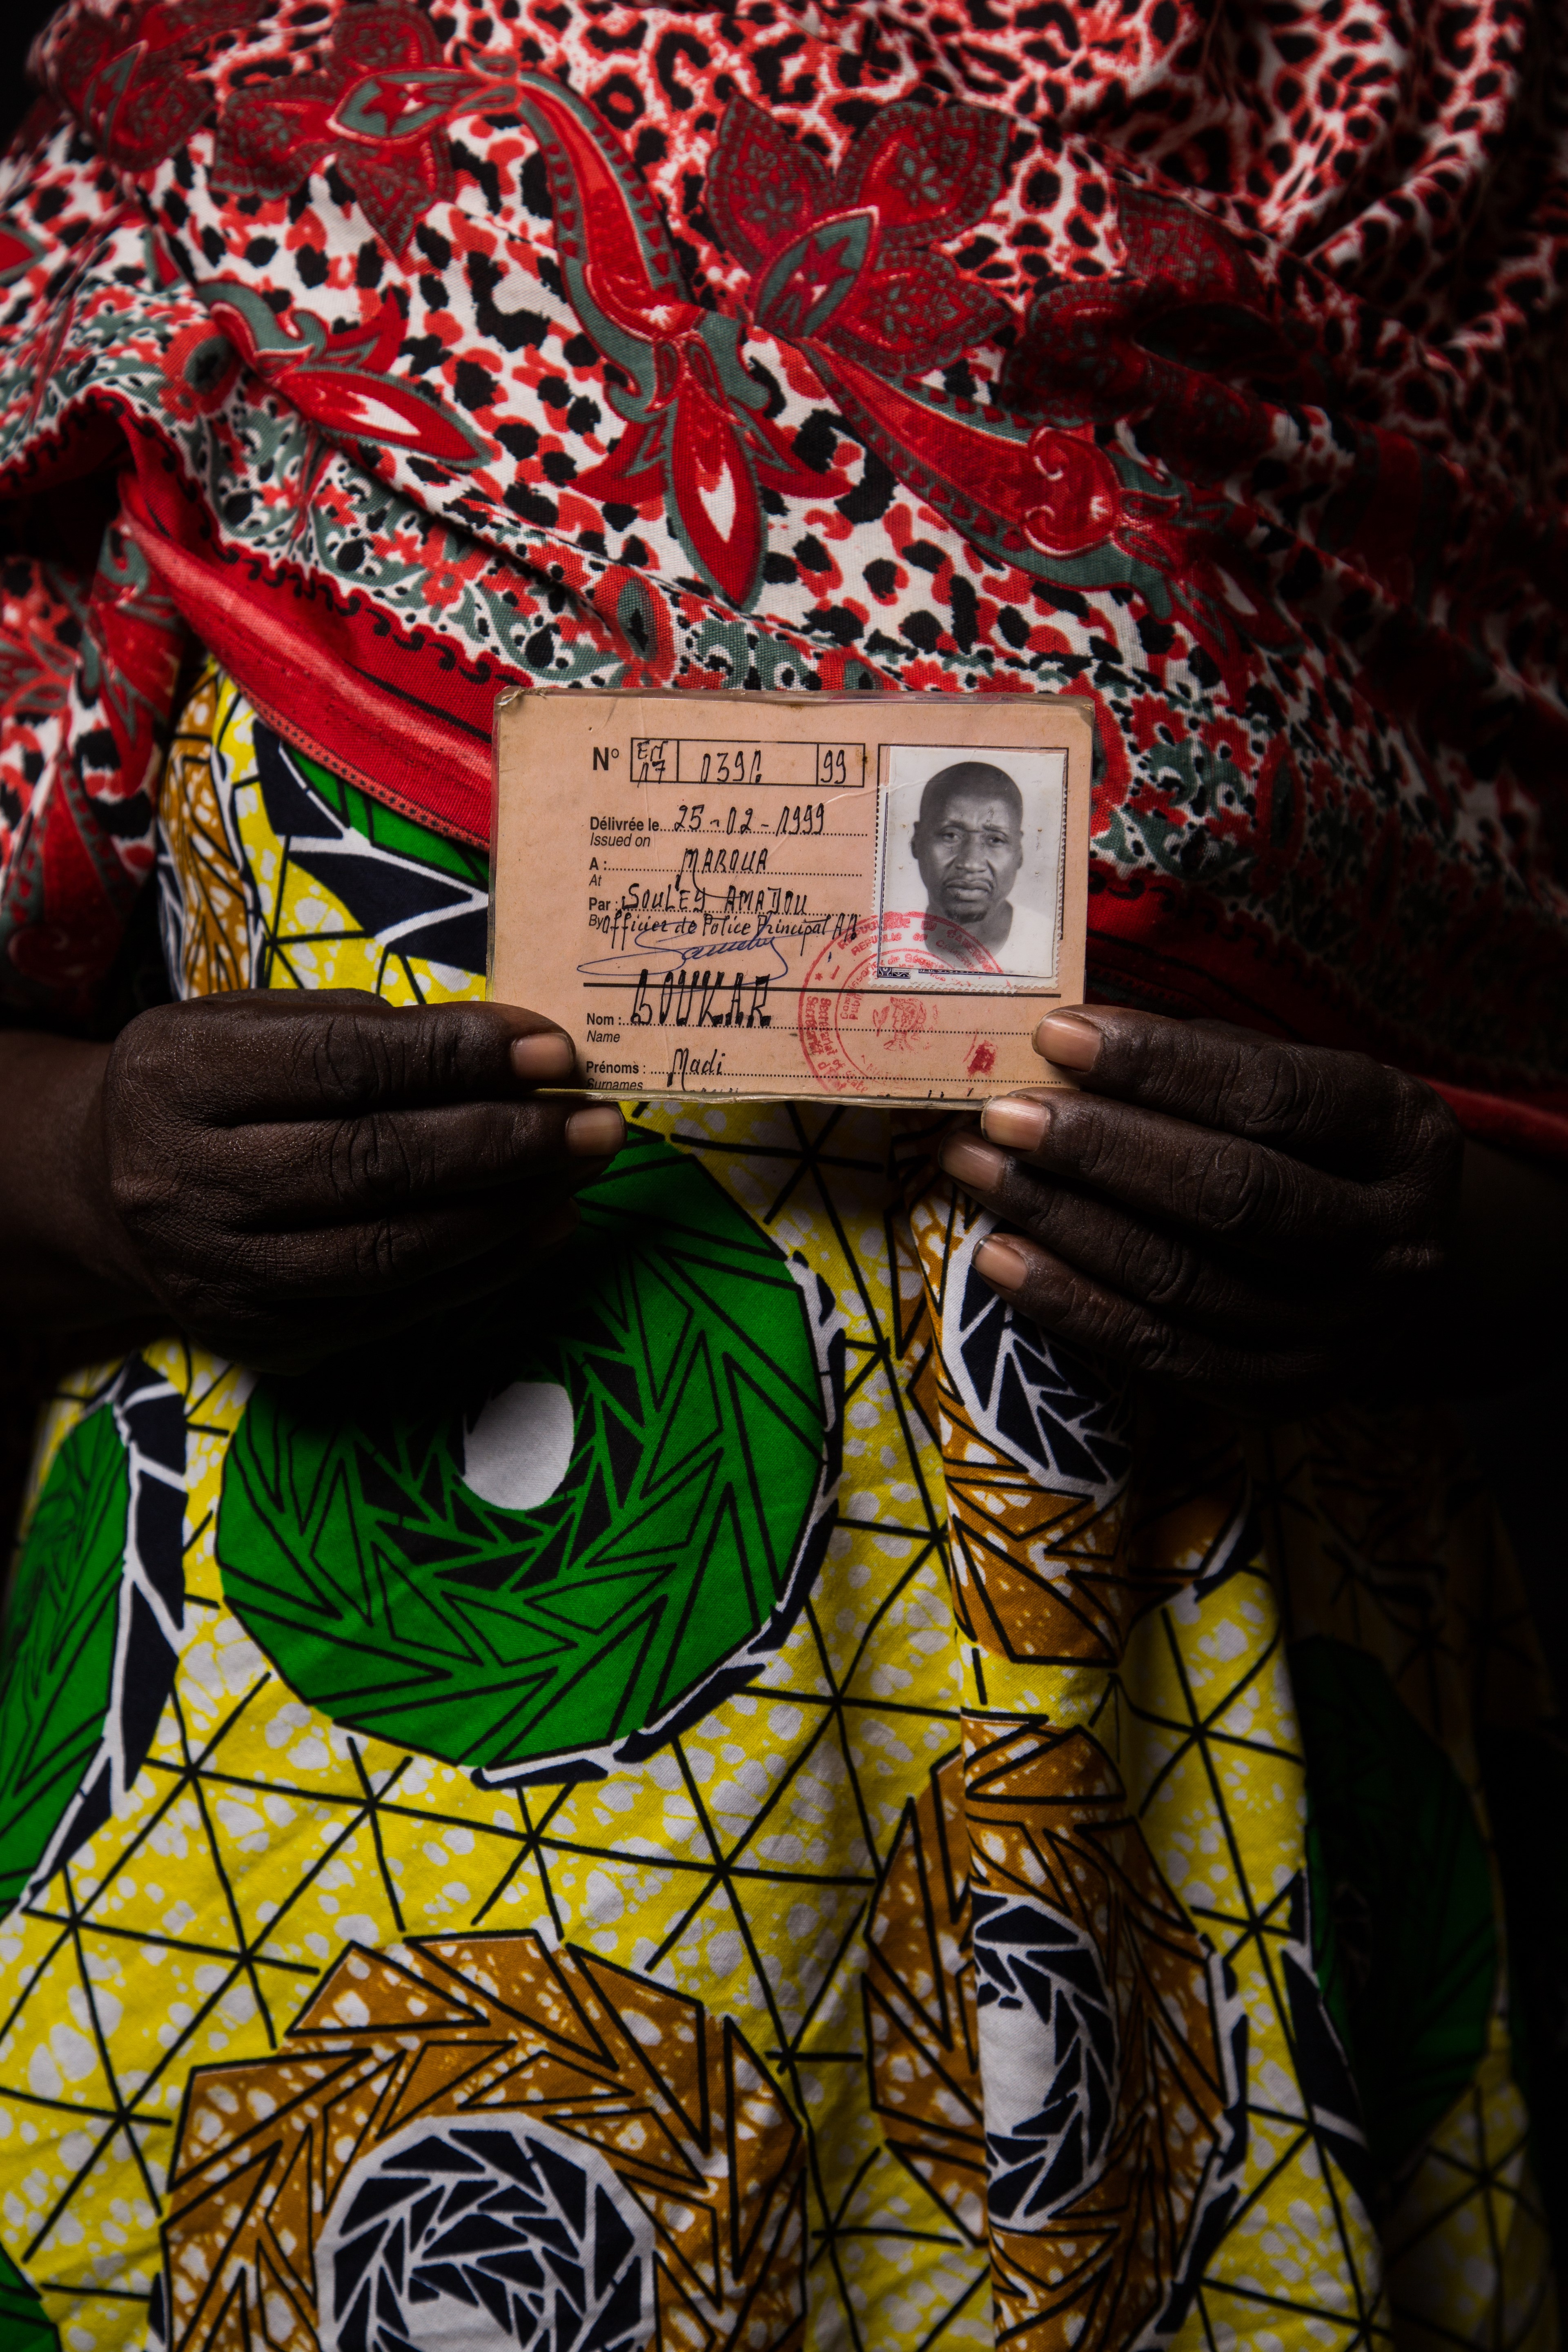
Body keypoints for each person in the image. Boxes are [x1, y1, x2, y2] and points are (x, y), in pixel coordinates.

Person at [0, 0, 1564, 2345]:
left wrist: (1445, 1247)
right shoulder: (209, 73)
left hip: (1186, 1906)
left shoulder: (1430, 93)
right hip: (292, 1922)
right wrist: (92, 1168)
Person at [906, 760, 1057, 974]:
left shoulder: (1052, 948)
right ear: (917, 842)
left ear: (1019, 852)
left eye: (996, 840)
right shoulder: (880, 942)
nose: (971, 864)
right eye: (951, 836)